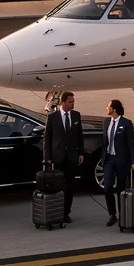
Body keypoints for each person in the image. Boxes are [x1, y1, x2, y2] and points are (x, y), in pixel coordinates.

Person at [43, 91, 84, 223]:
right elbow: (47, 138)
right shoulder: (53, 117)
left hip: (71, 157)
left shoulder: (76, 115)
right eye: (70, 102)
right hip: (58, 157)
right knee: (58, 186)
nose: (73, 104)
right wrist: (47, 157)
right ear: (63, 103)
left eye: (73, 101)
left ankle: (66, 212)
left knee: (70, 186)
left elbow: (79, 136)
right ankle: (57, 212)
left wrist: (81, 153)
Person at [101, 99, 134, 227]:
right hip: (109, 160)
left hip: (121, 160)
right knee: (107, 188)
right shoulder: (106, 122)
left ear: (114, 109)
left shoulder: (126, 123)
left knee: (120, 189)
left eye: (108, 106)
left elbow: (131, 143)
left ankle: (122, 214)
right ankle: (112, 214)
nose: (107, 108)